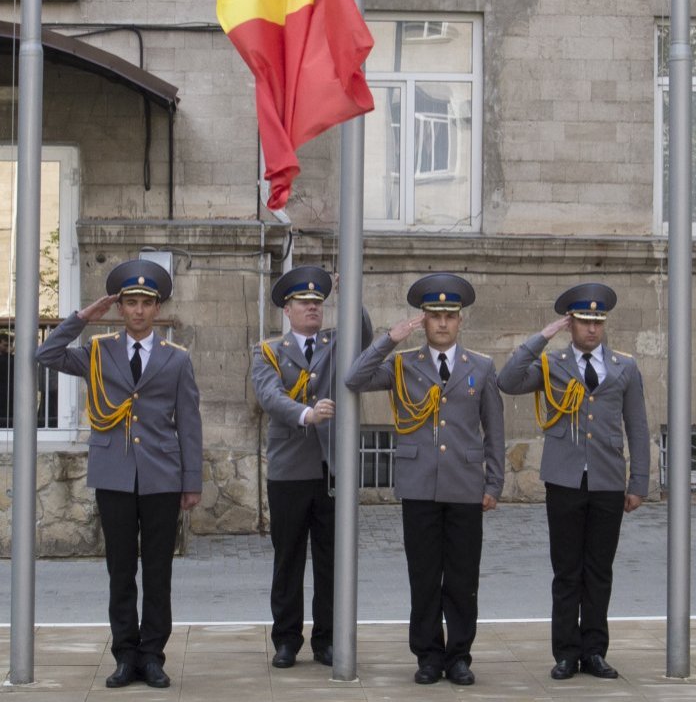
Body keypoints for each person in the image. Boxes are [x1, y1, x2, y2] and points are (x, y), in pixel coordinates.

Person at [36, 259, 203, 690]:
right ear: (119, 308)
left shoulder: (176, 359)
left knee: (159, 572)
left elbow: (189, 423)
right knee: (120, 569)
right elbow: (46, 353)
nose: (138, 311)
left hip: (162, 477)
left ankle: (153, 655)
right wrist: (82, 317)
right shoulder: (99, 350)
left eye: (146, 303)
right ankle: (125, 655)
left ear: (157, 307)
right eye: (130, 302)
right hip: (113, 475)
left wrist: (191, 482)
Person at [346, 273, 505, 687]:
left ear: (460, 321)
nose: (442, 323)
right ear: (423, 319)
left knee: (462, 577)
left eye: (450, 316)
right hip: (419, 484)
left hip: (466, 486)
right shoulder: (403, 365)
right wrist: (389, 339)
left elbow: (495, 430)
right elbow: (354, 379)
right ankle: (428, 655)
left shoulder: (481, 367)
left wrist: (493, 486)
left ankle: (459, 656)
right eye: (434, 315)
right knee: (424, 574)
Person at [497, 282, 650, 682]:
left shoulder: (624, 366)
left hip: (607, 481)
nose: (592, 329)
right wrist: (542, 336)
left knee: (599, 571)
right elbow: (508, 381)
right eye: (584, 321)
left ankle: (595, 650)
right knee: (566, 570)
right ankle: (565, 652)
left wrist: (639, 482)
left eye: (598, 321)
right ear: (571, 324)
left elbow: (637, 425)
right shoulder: (553, 364)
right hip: (564, 479)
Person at [251, 265, 371, 670]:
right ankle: (286, 641)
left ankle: (327, 640)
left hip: (330, 469)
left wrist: (349, 292)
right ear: (288, 309)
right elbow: (270, 396)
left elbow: (366, 339)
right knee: (288, 560)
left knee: (331, 560)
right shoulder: (268, 350)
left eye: (318, 302)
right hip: (289, 470)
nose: (313, 308)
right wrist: (306, 414)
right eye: (304, 302)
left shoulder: (337, 343)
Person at [0, 329, 14, 428]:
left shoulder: (8, 358)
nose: (8, 348)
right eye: (5, 345)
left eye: (9, 345)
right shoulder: (7, 358)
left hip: (8, 392)